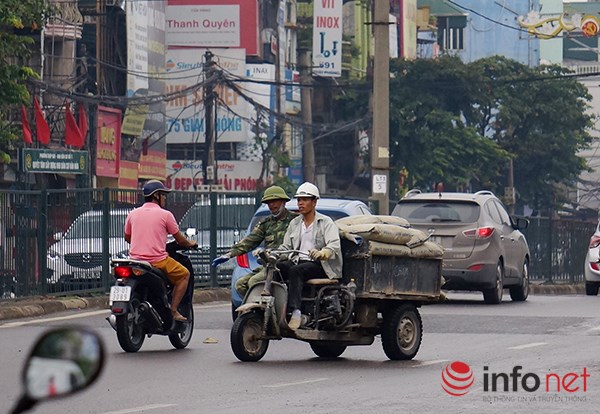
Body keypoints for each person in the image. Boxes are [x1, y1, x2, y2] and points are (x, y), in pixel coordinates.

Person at [124, 180, 197, 322]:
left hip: (135, 261)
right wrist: (190, 243)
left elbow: (128, 237)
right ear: (156, 195)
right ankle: (174, 311)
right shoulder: (165, 215)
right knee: (184, 275)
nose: (165, 198)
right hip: (157, 261)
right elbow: (180, 240)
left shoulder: (133, 214)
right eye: (163, 195)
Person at [277, 182, 342, 330]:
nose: (300, 203)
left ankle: (296, 311)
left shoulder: (325, 222)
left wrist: (322, 253)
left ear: (314, 202)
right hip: (298, 261)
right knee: (278, 268)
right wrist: (273, 254)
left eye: (305, 200)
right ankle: (277, 307)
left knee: (296, 271)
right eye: (299, 200)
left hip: (320, 265)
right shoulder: (294, 223)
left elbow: (334, 245)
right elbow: (286, 247)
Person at [211, 185, 297, 297]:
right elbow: (249, 242)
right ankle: (259, 312)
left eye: (274, 201)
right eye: (269, 202)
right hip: (268, 265)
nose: (271, 205)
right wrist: (228, 255)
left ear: (283, 202)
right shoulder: (266, 224)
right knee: (240, 285)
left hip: (287, 265)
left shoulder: (296, 221)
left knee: (254, 282)